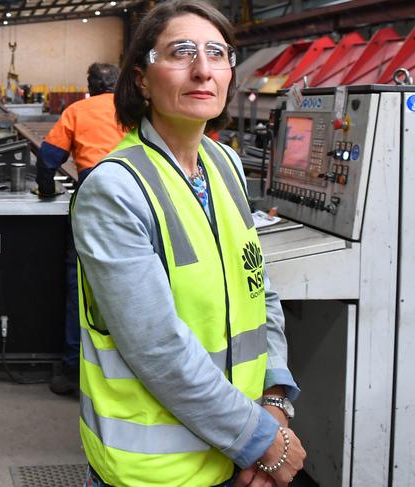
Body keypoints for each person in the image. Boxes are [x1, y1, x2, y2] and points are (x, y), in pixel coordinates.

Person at [70, 1, 306, 486]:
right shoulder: (115, 190)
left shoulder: (226, 166)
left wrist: (276, 402)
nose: (202, 70)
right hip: (159, 472)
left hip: (236, 453)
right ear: (141, 78)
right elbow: (157, 347)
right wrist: (264, 442)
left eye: (216, 53)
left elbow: (260, 292)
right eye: (180, 52)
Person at [35, 63, 126, 395]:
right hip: (141, 199)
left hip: (94, 200)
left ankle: (73, 370)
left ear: (90, 85)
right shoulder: (140, 110)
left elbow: (47, 160)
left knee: (81, 286)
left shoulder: (77, 111)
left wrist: (46, 191)